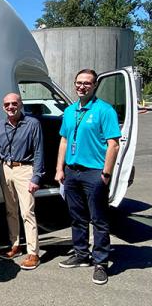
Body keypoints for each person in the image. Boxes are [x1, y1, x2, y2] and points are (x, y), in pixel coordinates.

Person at [55, 69, 121, 285]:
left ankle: (101, 262)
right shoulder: (70, 111)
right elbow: (64, 141)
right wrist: (59, 168)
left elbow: (113, 144)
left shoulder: (104, 110)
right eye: (78, 83)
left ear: (94, 86)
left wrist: (106, 174)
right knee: (77, 216)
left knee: (99, 220)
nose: (81, 86)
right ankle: (81, 254)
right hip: (72, 171)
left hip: (94, 173)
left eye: (86, 83)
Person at [0, 93, 44, 270]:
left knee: (27, 211)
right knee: (10, 210)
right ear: (2, 106)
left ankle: (33, 253)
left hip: (25, 169)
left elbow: (38, 152)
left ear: (20, 105)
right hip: (5, 169)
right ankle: (15, 245)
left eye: (14, 103)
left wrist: (36, 176)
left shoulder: (32, 124)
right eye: (7, 104)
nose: (10, 107)